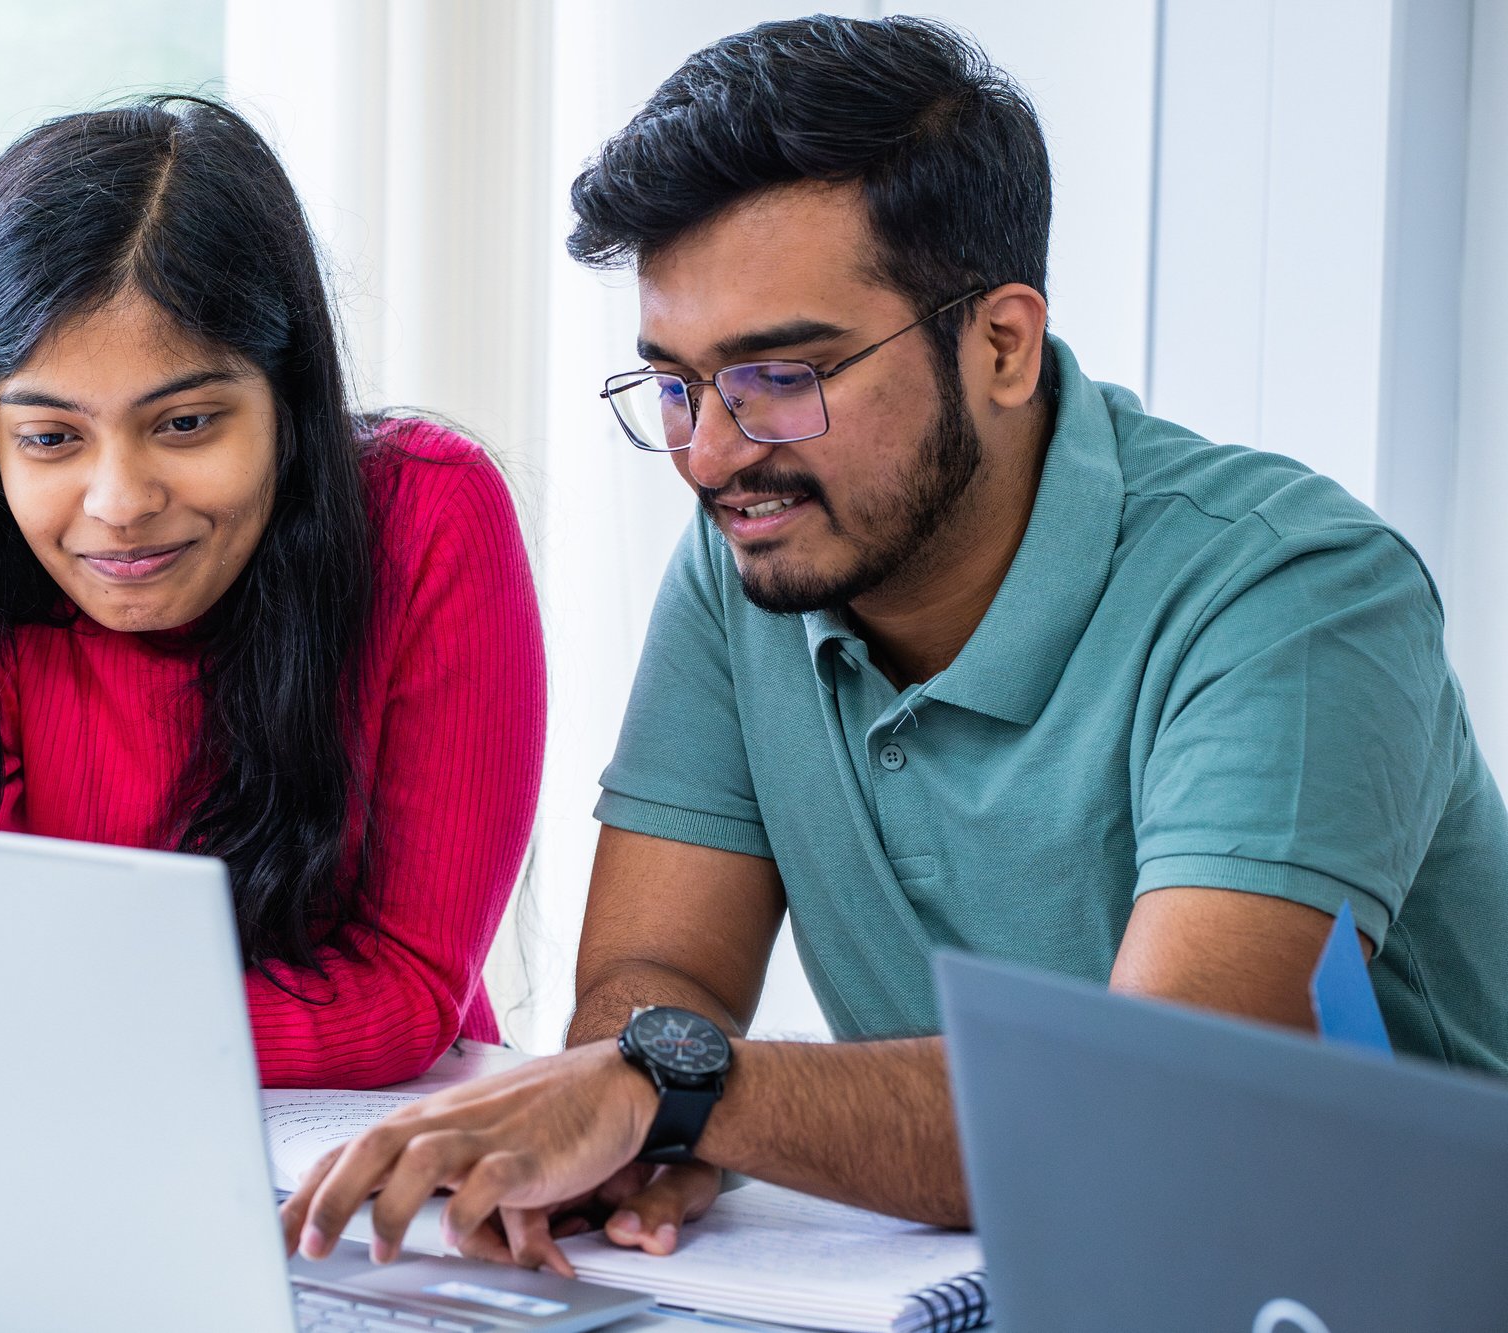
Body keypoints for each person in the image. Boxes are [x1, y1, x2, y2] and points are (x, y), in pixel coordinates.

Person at [283, 13, 1508, 1272]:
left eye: (780, 375)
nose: (708, 452)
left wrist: (682, 1092)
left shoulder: (1291, 594)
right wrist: (645, 1115)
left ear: (1000, 345)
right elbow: (658, 973)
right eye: (674, 382)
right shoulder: (749, 556)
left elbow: (1161, 1123)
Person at [0, 97, 544, 1089]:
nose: (118, 503)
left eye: (184, 424)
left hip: (353, 1183)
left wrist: (40, 1026)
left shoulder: (428, 515)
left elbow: (401, 992)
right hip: (27, 1154)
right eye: (49, 437)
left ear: (286, 403)